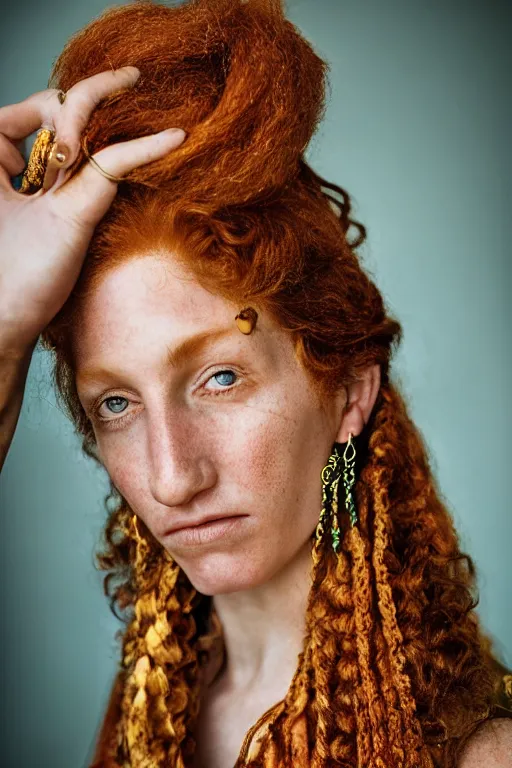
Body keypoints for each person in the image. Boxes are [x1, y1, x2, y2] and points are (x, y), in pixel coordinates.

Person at [0, 1, 510, 767]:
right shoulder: (151, 713)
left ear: (348, 391)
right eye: (116, 403)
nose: (172, 477)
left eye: (221, 378)